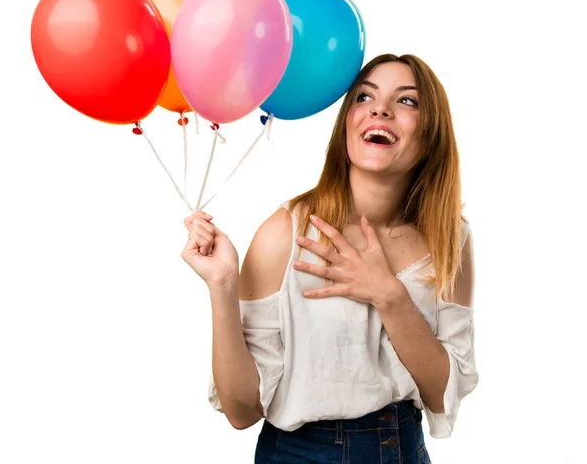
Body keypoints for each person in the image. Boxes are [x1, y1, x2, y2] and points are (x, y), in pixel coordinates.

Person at [181, 53, 479, 463]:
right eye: (364, 97)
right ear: (347, 126)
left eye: (407, 101)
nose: (380, 108)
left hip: (404, 449)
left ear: (431, 135)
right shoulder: (286, 235)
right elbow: (241, 411)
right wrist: (223, 285)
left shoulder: (450, 239)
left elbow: (442, 395)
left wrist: (390, 296)